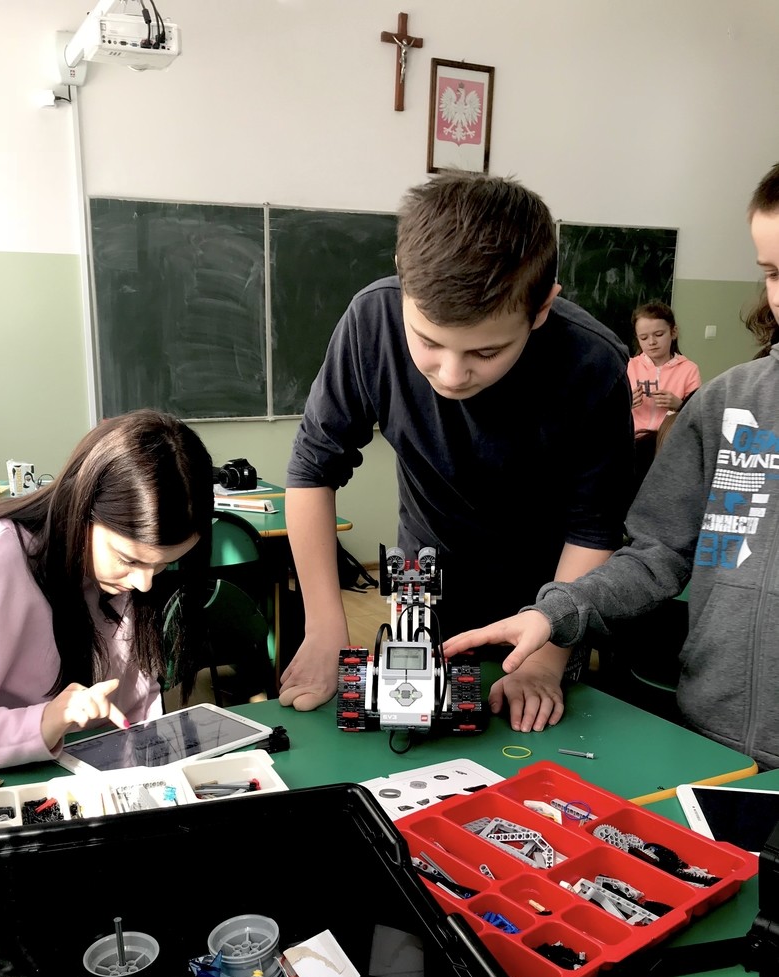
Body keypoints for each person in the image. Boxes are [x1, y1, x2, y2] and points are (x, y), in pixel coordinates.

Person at [443, 162, 779, 769]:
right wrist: (555, 612)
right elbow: (658, 553)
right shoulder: (729, 405)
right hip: (711, 740)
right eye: (774, 273)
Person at [280, 170, 635, 732]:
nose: (451, 373)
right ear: (404, 282)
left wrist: (543, 661)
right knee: (414, 731)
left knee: (526, 742)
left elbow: (594, 529)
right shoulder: (372, 321)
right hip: (424, 586)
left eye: (486, 352)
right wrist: (324, 626)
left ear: (542, 307)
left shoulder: (592, 364)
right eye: (428, 341)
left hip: (543, 608)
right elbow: (311, 471)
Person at [0, 410, 214, 769]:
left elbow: (135, 703)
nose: (144, 583)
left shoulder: (117, 576)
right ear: (82, 509)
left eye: (163, 565)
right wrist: (42, 724)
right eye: (128, 559)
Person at [628, 301, 701, 487]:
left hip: (669, 443)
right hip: (633, 443)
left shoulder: (689, 369)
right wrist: (625, 402)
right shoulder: (629, 366)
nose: (652, 342)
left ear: (673, 332)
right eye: (644, 338)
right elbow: (607, 410)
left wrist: (680, 405)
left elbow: (698, 414)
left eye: (659, 334)